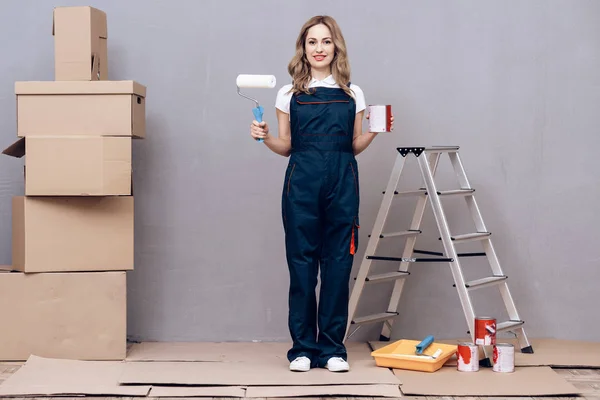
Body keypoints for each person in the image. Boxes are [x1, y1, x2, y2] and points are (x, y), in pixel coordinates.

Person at [249, 15, 393, 372]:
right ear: (303, 48)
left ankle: (331, 350)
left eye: (326, 41)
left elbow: (354, 145)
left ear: (336, 47)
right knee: (301, 267)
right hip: (301, 183)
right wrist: (264, 135)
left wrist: (375, 130)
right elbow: (286, 146)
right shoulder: (288, 93)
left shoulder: (352, 92)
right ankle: (302, 348)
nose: (319, 49)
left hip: (342, 182)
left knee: (337, 266)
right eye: (312, 42)